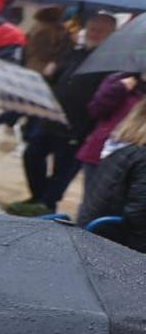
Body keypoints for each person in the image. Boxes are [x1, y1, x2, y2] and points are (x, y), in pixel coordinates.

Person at [25, 12, 115, 208]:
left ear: (111, 34)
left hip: (78, 127)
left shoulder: (110, 63)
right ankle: (38, 197)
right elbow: (58, 78)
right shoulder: (75, 51)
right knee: (32, 154)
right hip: (52, 117)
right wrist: (52, 70)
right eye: (92, 29)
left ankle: (47, 203)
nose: (95, 33)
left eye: (101, 31)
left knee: (63, 171)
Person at [80, 100, 146, 250]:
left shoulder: (121, 147)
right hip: (112, 244)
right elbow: (139, 213)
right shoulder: (142, 157)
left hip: (93, 232)